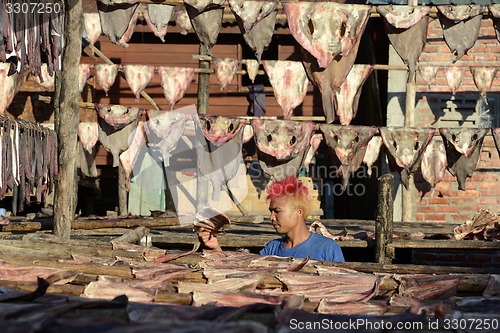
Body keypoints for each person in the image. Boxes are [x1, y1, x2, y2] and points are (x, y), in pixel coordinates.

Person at [196, 176, 345, 262]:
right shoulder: (271, 248)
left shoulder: (328, 249)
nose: (271, 217)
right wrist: (215, 247)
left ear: (298, 212)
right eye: (271, 211)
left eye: (277, 211)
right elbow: (245, 272)